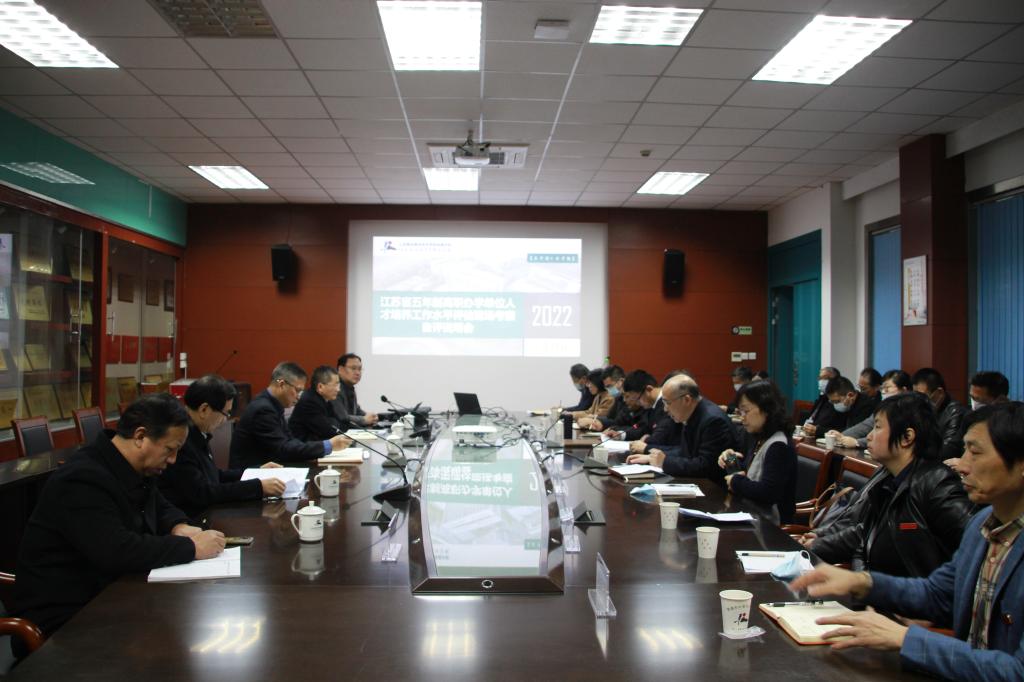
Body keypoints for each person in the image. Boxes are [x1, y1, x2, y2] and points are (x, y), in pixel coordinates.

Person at [789, 403, 1024, 681]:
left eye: (976, 452)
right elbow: (939, 594)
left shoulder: (938, 487)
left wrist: (906, 639)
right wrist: (862, 582)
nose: (961, 465)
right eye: (964, 450)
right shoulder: (983, 524)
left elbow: (1017, 671)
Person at [11, 394, 226, 654]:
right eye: (170, 449)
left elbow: (159, 505)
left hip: (110, 599)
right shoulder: (82, 478)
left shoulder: (134, 465)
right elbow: (116, 550)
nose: (173, 460)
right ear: (140, 436)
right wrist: (191, 548)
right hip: (66, 621)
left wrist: (177, 524)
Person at [804, 392, 974, 577]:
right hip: (878, 588)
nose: (869, 436)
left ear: (907, 437)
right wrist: (863, 582)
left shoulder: (938, 484)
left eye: (877, 427)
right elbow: (866, 536)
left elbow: (972, 547)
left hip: (910, 593)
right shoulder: (887, 476)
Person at [159, 375, 285, 520]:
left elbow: (214, 475)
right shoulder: (182, 441)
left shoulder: (198, 433)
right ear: (204, 410)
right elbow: (203, 492)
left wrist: (256, 471)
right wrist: (258, 487)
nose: (225, 420)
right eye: (225, 413)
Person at [229, 362, 350, 469]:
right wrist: (327, 445)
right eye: (297, 390)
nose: (299, 396)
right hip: (249, 475)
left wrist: (321, 447)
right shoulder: (263, 409)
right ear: (281, 384)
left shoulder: (273, 404)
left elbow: (290, 441)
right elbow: (283, 449)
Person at [626, 374, 735, 481]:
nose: (665, 409)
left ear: (687, 400)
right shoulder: (692, 413)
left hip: (717, 486)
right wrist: (652, 458)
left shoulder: (713, 421)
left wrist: (665, 462)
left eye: (667, 403)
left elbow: (706, 466)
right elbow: (684, 451)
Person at [716, 380, 797, 524]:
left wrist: (736, 481)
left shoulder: (778, 445)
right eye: (740, 412)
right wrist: (731, 460)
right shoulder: (759, 437)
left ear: (766, 409)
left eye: (746, 411)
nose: (742, 417)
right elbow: (750, 474)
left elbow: (768, 492)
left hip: (771, 526)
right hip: (752, 514)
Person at [830, 369, 911, 448]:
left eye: (887, 388)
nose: (883, 391)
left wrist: (857, 442)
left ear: (904, 390)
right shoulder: (884, 407)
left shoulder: (911, 410)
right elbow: (866, 425)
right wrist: (842, 436)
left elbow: (888, 436)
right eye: (882, 388)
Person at [912, 367, 968, 462]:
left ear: (939, 392)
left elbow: (948, 450)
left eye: (923, 396)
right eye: (915, 395)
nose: (919, 400)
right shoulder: (918, 409)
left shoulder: (956, 412)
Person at [290, 365, 345, 441]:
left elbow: (339, 423)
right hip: (303, 446)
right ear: (320, 387)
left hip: (318, 443)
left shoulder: (325, 399)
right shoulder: (309, 402)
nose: (338, 389)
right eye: (335, 385)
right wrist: (332, 422)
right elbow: (329, 430)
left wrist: (332, 422)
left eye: (339, 385)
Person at [332, 353, 378, 428]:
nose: (357, 373)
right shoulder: (334, 388)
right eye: (353, 368)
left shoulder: (349, 387)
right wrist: (364, 419)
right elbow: (342, 417)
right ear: (340, 369)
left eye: (359, 369)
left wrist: (370, 417)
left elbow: (356, 410)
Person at [578, 365, 626, 431]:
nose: (608, 390)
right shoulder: (618, 398)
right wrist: (593, 418)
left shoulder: (613, 398)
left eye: (609, 386)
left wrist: (595, 420)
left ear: (621, 381)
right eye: (606, 387)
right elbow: (611, 418)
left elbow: (623, 423)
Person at [801, 366, 843, 437]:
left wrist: (817, 430)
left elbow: (839, 428)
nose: (821, 381)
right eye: (820, 378)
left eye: (825, 378)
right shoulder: (822, 398)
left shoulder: (840, 403)